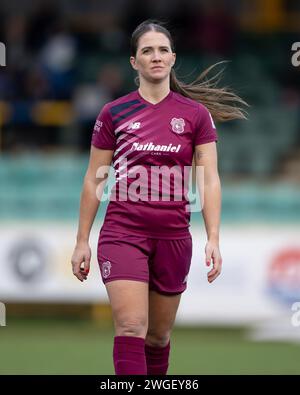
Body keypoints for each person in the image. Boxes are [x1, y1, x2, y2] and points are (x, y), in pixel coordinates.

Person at [71, 19, 247, 376]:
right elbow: (94, 179)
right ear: (134, 62)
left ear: (173, 58)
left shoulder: (196, 115)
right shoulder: (113, 113)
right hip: (123, 233)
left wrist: (213, 237)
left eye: (162, 50)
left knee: (157, 337)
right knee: (132, 326)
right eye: (147, 50)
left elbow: (209, 179)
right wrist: (81, 240)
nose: (156, 56)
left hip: (173, 238)